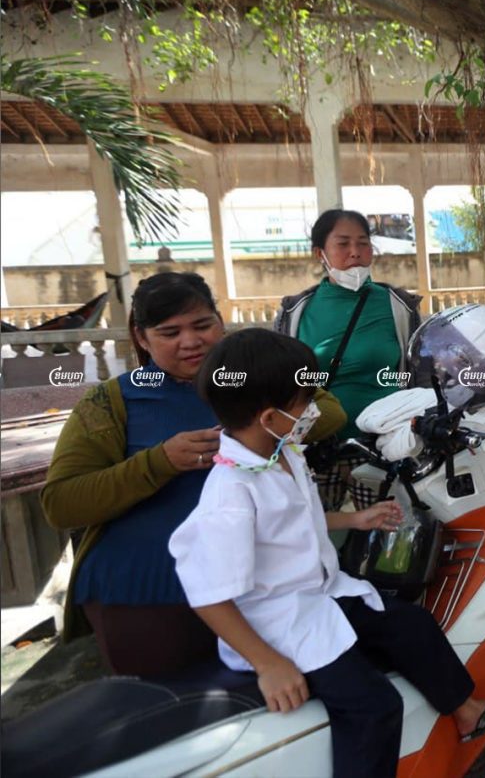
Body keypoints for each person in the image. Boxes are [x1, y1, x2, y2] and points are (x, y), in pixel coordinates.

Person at [169, 328, 485, 778]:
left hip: (320, 593)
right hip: (279, 625)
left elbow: (298, 517)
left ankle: (467, 709)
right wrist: (269, 664)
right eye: (303, 401)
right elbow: (207, 593)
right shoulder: (231, 494)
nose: (313, 410)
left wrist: (354, 520)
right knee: (373, 707)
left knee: (411, 624)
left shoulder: (284, 451)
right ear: (268, 417)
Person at [40, 272, 346, 677]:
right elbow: (62, 504)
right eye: (169, 332)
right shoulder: (110, 401)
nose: (191, 341)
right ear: (142, 338)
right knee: (168, 720)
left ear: (221, 322)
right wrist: (159, 462)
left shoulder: (256, 379)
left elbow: (331, 413)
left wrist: (253, 433)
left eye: (202, 325)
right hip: (147, 596)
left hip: (265, 593)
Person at [275, 209, 421, 513]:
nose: (355, 253)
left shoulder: (398, 306)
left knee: (387, 538)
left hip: (382, 446)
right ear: (320, 253)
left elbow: (418, 370)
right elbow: (280, 377)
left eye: (363, 243)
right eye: (342, 244)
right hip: (317, 447)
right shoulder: (296, 311)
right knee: (311, 533)